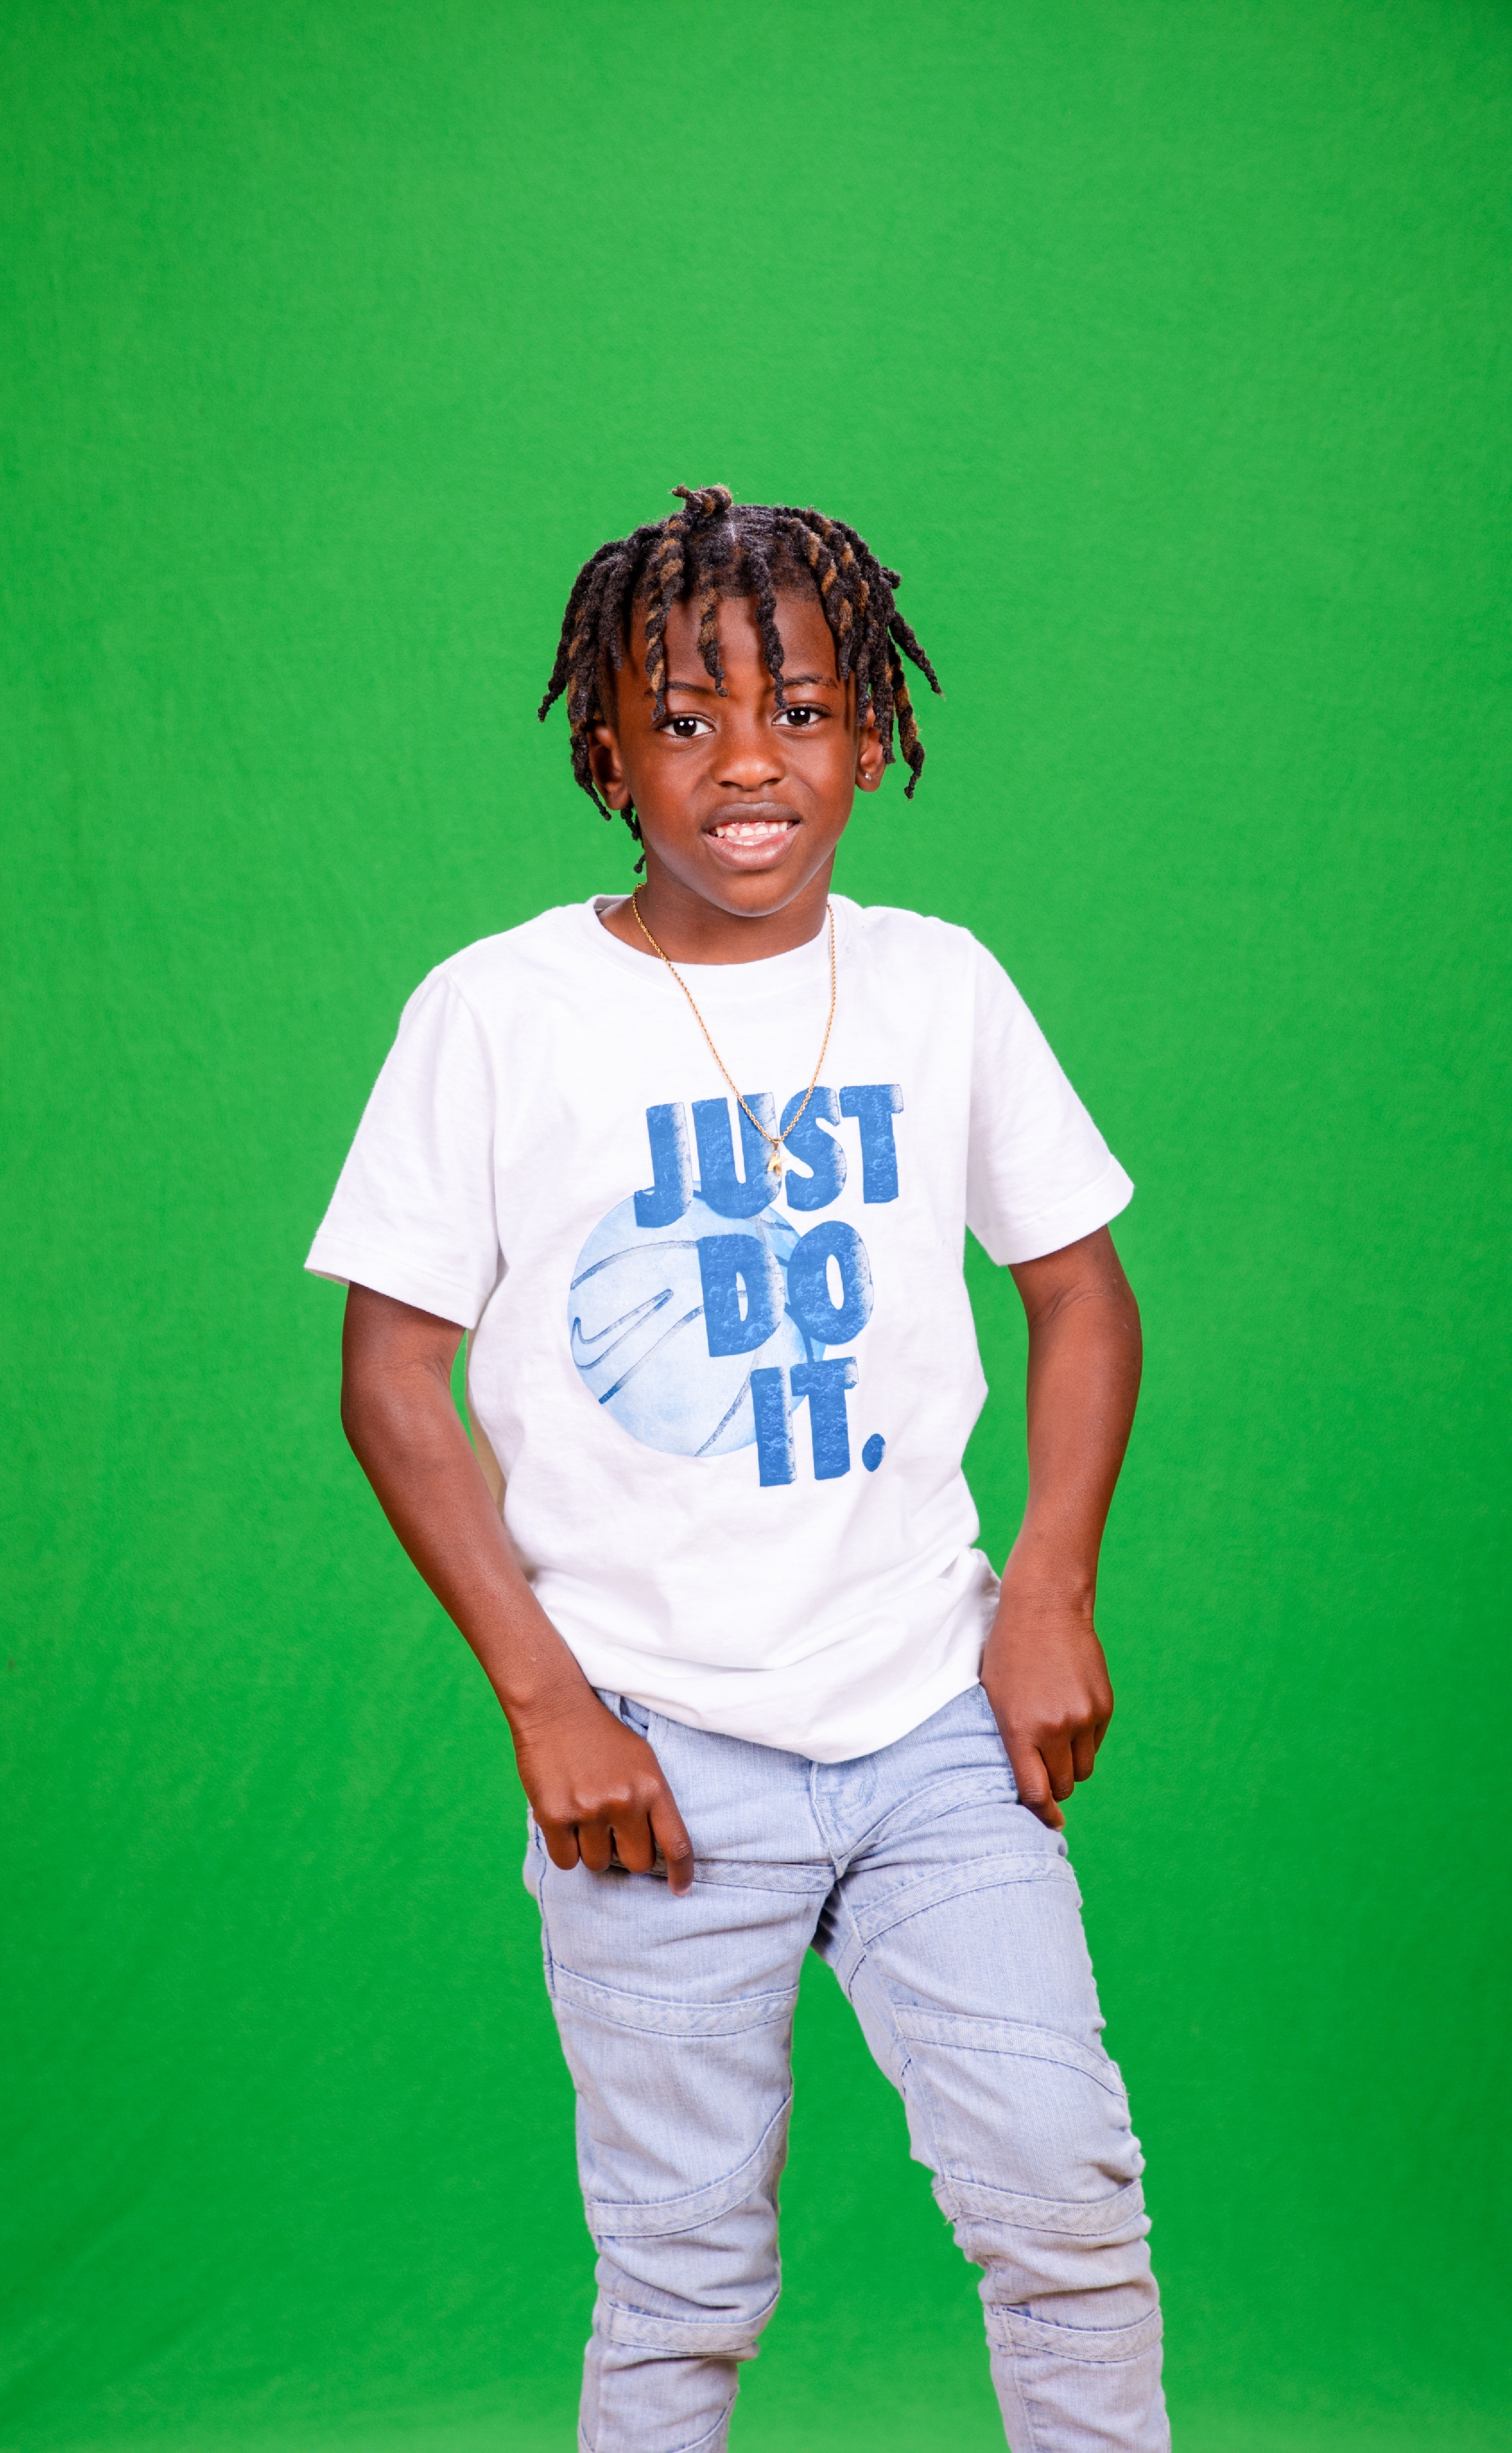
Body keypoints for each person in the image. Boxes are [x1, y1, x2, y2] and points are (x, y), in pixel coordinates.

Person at [307, 484, 1169, 2452]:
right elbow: (392, 1378)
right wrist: (548, 1705)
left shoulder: (939, 985)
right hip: (654, 1751)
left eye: (798, 710)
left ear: (871, 734)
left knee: (1066, 2201)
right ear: (608, 756)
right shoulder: (501, 1012)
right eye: (684, 721)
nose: (749, 764)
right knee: (683, 2275)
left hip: (932, 1719)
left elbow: (1082, 1295)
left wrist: (1047, 1591)